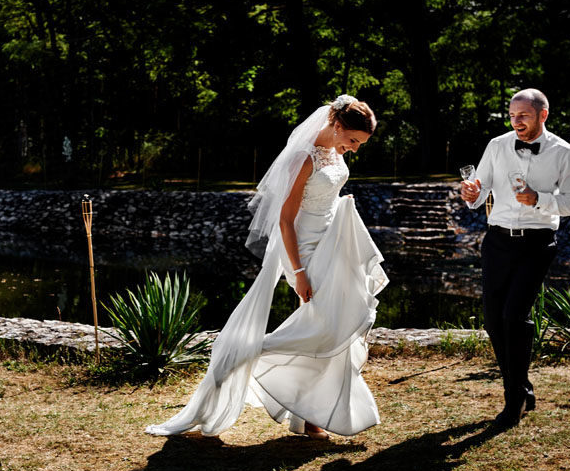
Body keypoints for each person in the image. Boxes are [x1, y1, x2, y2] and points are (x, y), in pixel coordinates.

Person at [146, 95, 388, 440]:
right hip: (303, 250)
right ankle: (245, 355)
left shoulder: (334, 152)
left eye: (359, 144)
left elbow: (324, 195)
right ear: (336, 126)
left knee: (337, 326)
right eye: (353, 140)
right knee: (325, 327)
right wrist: (300, 272)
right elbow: (286, 219)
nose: (354, 149)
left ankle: (310, 415)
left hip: (333, 241)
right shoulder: (303, 158)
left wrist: (340, 206)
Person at [460, 88, 570, 428]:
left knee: (514, 317)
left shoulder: (564, 152)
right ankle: (523, 386)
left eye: (524, 115)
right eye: (513, 115)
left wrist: (540, 199)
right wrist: (471, 193)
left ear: (543, 115)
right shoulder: (497, 145)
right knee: (492, 321)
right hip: (497, 242)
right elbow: (479, 187)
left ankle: (512, 401)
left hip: (537, 243)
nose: (516, 121)